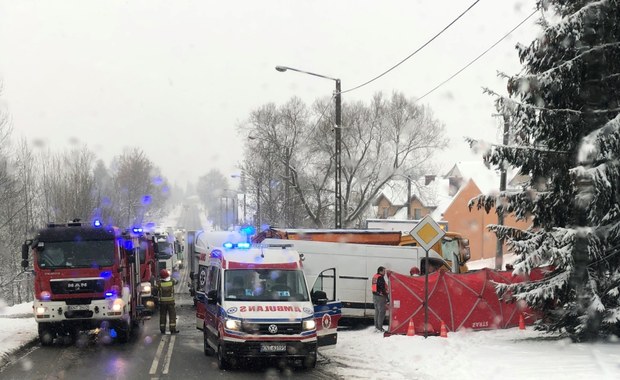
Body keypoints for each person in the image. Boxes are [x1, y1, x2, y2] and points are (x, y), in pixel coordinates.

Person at [158, 269, 178, 334]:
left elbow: (155, 289)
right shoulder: (172, 281)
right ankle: (172, 329)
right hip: (171, 302)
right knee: (172, 315)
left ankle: (162, 329)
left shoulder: (159, 283)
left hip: (162, 303)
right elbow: (176, 281)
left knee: (162, 316)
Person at [371, 266, 388, 333]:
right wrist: (386, 295)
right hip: (380, 296)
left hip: (375, 295)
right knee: (382, 312)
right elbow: (382, 288)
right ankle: (380, 327)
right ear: (380, 271)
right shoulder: (380, 278)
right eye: (384, 271)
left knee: (377, 311)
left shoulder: (375, 276)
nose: (385, 273)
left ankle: (376, 326)